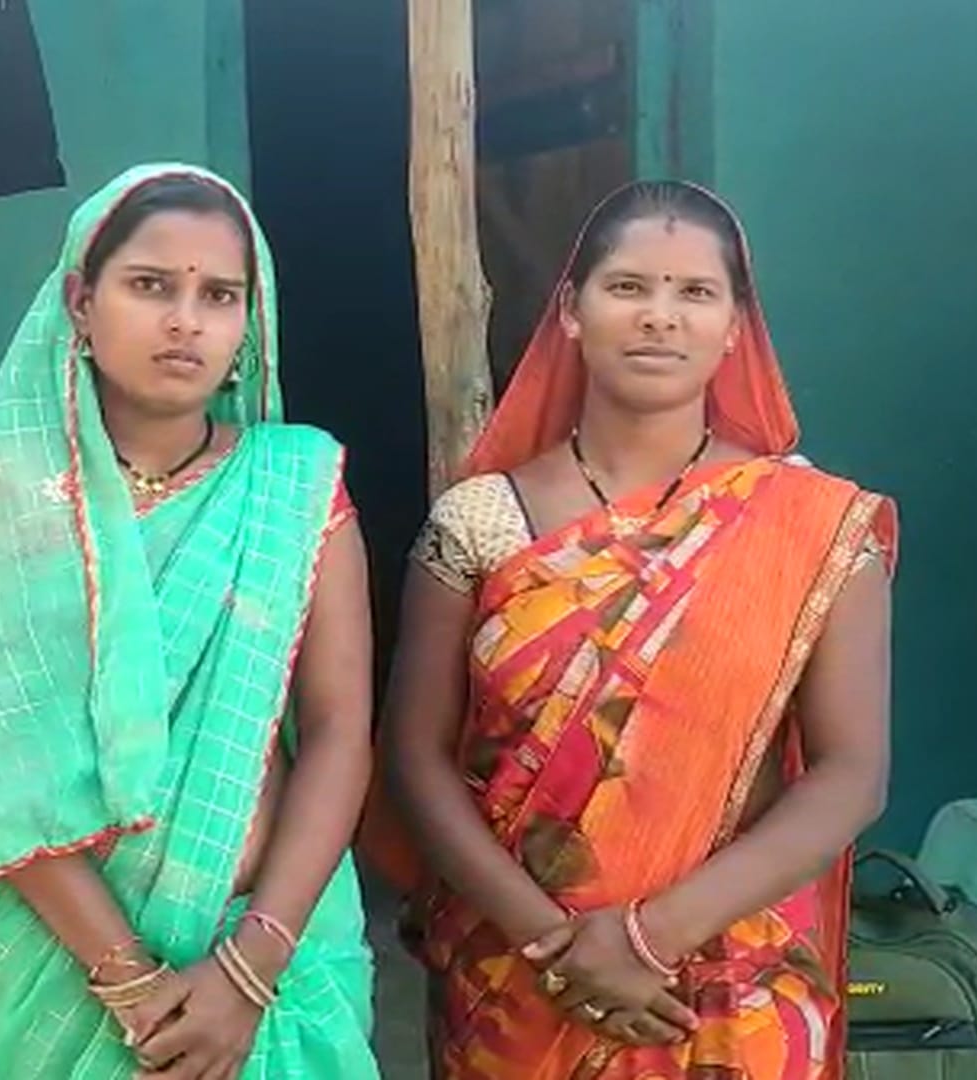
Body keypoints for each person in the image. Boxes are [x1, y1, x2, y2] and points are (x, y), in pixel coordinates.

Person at [370, 180, 896, 1078]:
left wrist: (652, 938)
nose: (660, 316)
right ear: (571, 311)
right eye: (628, 287)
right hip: (518, 980)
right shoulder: (482, 521)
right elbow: (416, 759)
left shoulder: (810, 526)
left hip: (729, 984)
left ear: (735, 328)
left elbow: (851, 774)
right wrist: (555, 944)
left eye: (695, 292)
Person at [0, 164, 381, 1079]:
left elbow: (339, 731)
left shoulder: (296, 486)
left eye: (219, 295)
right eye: (151, 285)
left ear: (248, 320)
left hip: (272, 960)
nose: (186, 320)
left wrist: (250, 970)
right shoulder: (15, 508)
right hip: (58, 972)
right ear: (81, 303)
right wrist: (131, 982)